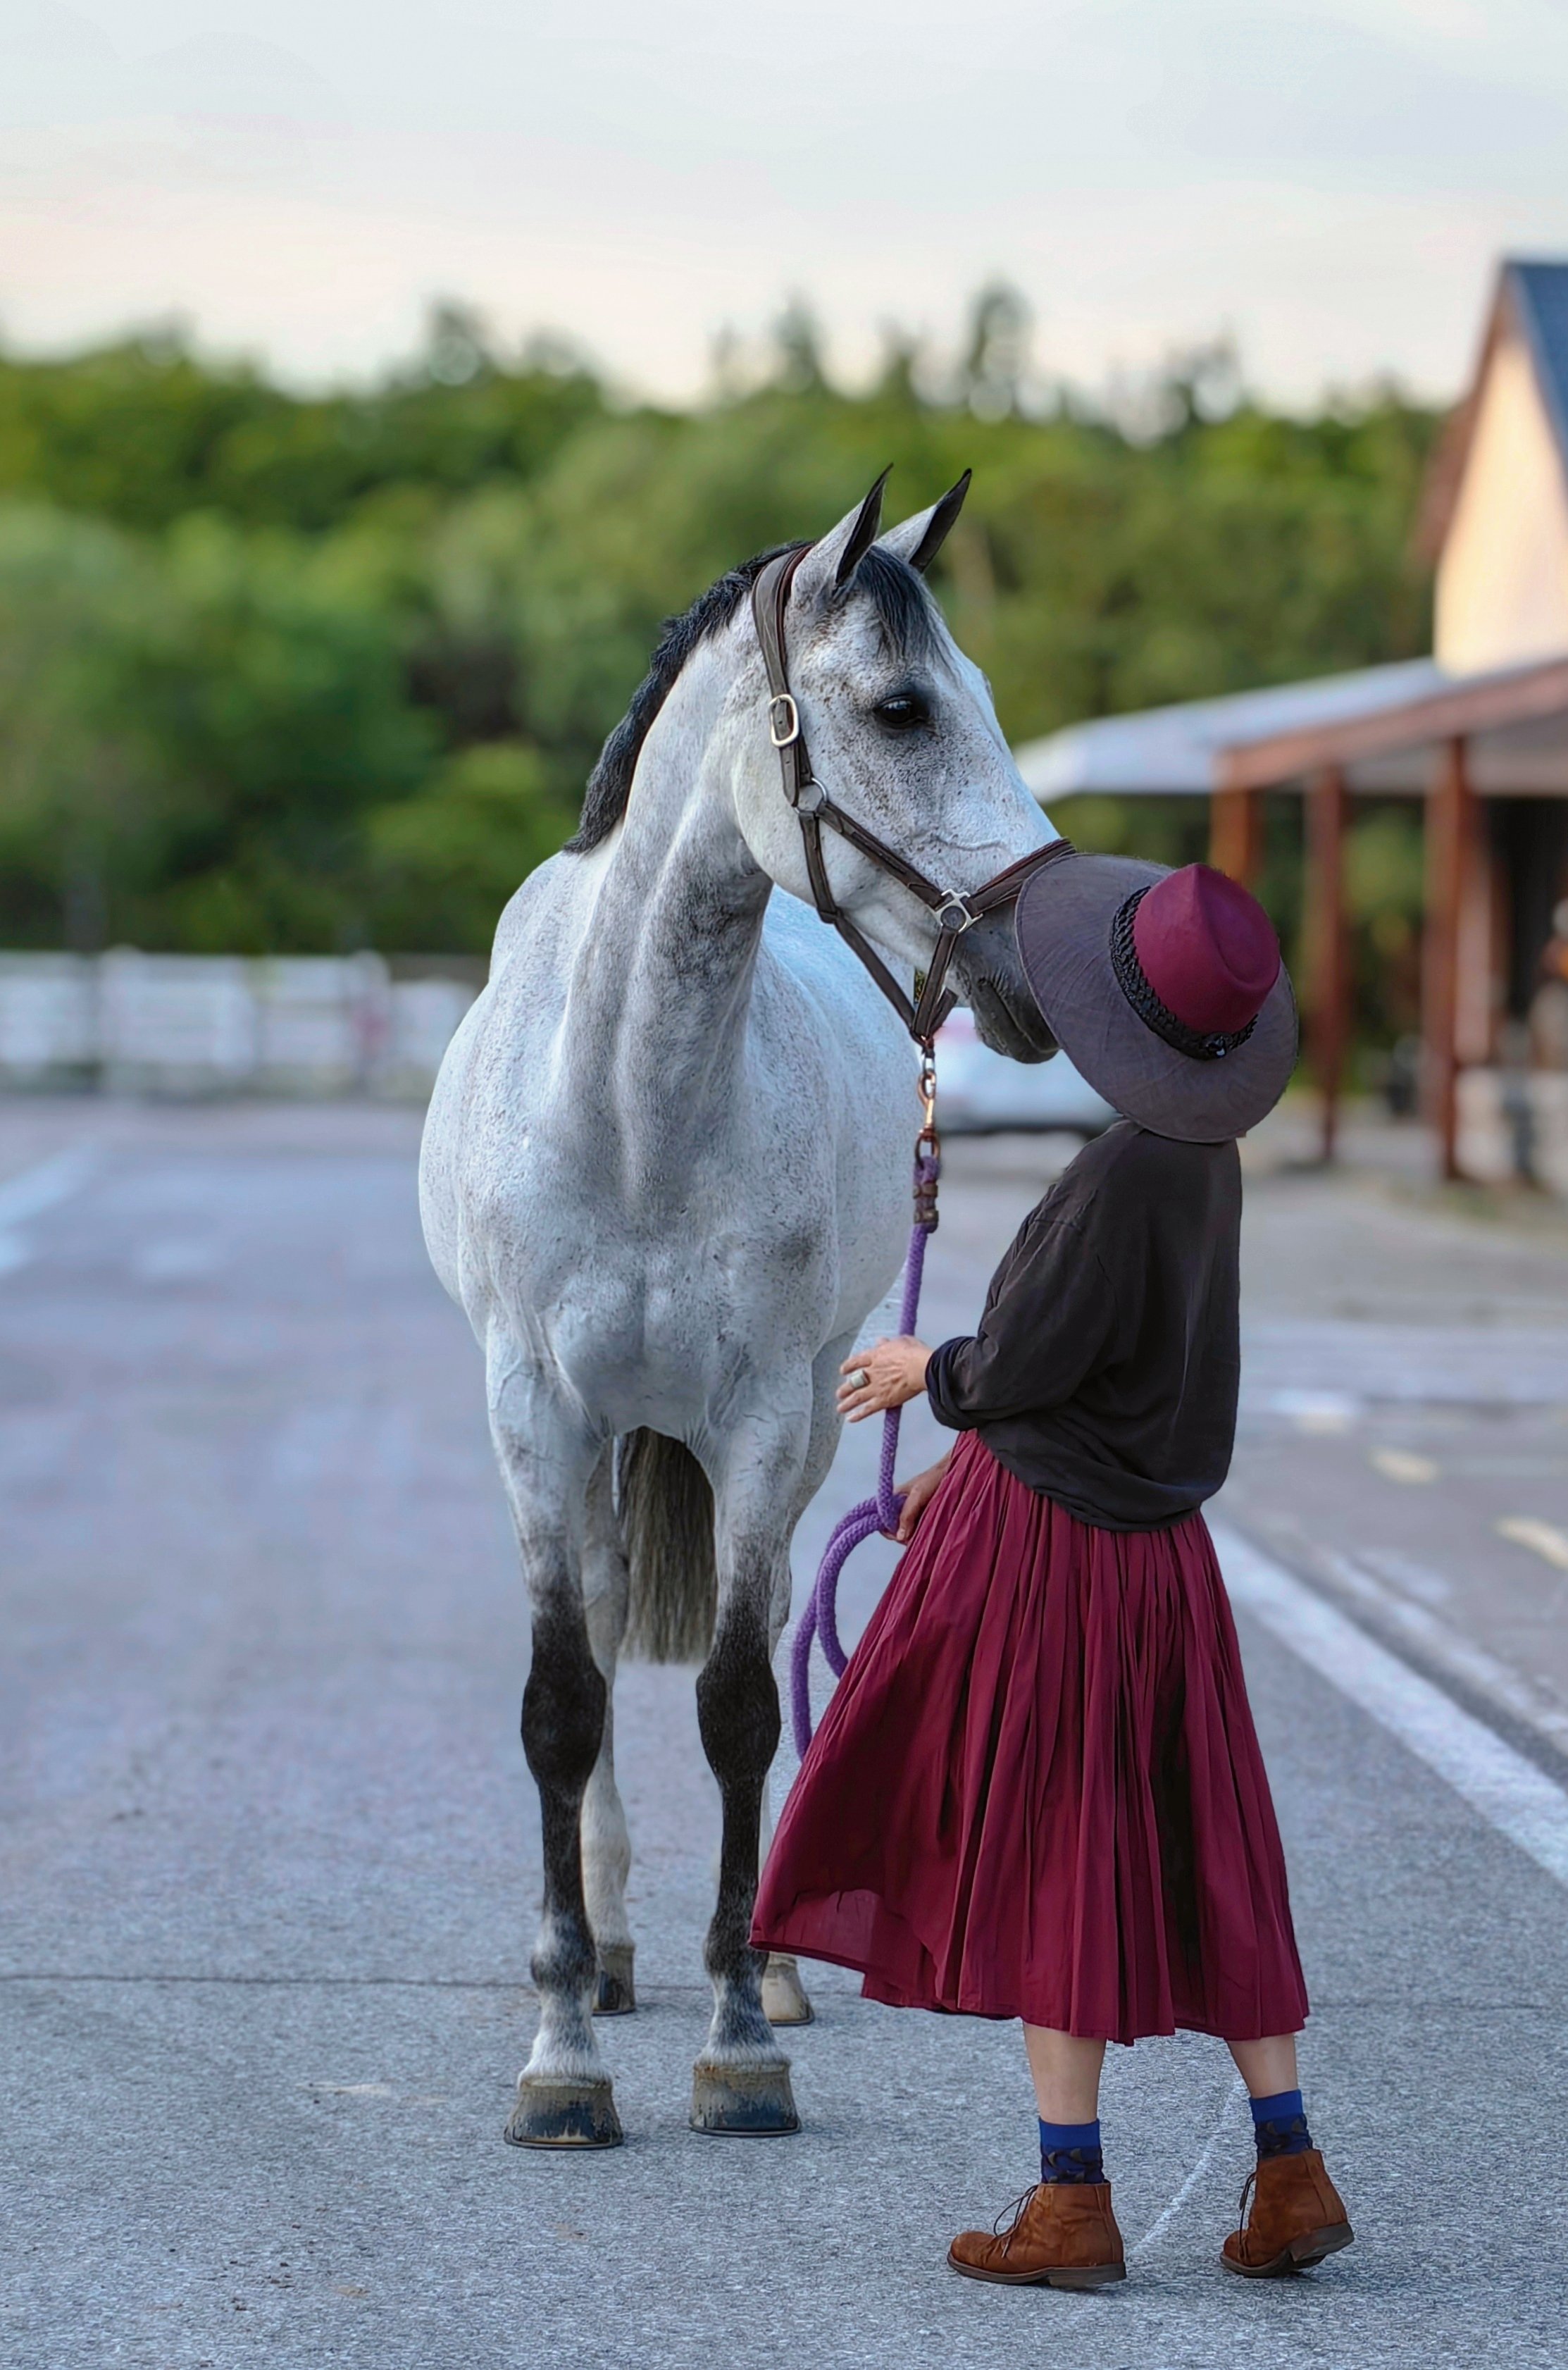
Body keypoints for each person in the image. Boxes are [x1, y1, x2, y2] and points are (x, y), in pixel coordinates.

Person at [752, 855, 1352, 2290]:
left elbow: (1024, 1361)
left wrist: (924, 1372)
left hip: (1061, 1559)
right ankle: (1291, 2164)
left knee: (1054, 1856)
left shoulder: (1125, 1172)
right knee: (1207, 1851)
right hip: (1161, 1553)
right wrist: (968, 1462)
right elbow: (1120, 1371)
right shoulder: (1201, 1164)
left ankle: (1072, 2197)